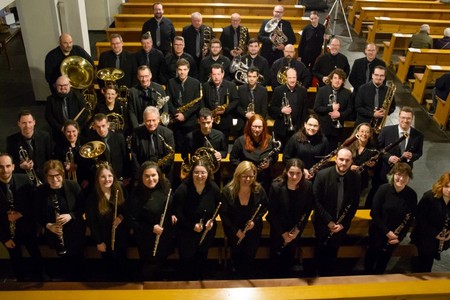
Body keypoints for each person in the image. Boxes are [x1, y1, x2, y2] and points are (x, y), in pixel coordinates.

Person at [312, 148, 361, 276]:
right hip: (322, 222)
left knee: (334, 251)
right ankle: (318, 276)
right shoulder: (322, 175)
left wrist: (344, 223)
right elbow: (316, 201)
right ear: (336, 159)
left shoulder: (356, 178)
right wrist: (328, 221)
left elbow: (354, 203)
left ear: (351, 162)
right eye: (341, 159)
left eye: (347, 160)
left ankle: (329, 278)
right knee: (320, 250)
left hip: (341, 224)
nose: (343, 163)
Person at [33, 160, 86, 280]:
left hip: (74, 230)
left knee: (78, 261)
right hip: (55, 231)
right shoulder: (41, 190)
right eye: (50, 176)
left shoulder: (73, 185)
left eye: (57, 176)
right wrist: (48, 226)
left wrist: (70, 215)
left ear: (62, 174)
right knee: (63, 261)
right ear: (46, 176)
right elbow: (37, 213)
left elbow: (83, 207)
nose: (55, 179)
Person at [366, 106, 424, 208]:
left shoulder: (418, 135)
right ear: (399, 117)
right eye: (403, 117)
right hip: (384, 170)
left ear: (412, 119)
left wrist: (411, 156)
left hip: (403, 173)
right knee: (376, 192)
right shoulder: (387, 131)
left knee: (397, 195)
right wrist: (388, 157)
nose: (405, 121)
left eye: (408, 118)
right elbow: (377, 148)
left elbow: (419, 153)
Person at [0, 153, 46, 281]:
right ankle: (19, 281)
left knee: (35, 254)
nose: (5, 170)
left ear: (13, 167)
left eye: (8, 166)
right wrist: (4, 238)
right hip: (7, 231)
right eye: (1, 166)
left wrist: (20, 214)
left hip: (27, 226)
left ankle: (41, 279)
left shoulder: (24, 179)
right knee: (15, 258)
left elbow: (35, 204)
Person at [364, 163, 417, 274]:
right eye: (398, 174)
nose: (401, 178)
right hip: (378, 232)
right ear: (393, 175)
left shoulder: (412, 195)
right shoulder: (383, 189)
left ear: (409, 178)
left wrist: (400, 236)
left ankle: (378, 281)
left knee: (384, 260)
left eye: (405, 176)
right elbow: (374, 213)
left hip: (395, 237)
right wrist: (387, 232)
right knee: (371, 257)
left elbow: (409, 218)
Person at [173, 159, 221, 280]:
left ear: (208, 173)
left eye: (203, 173)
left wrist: (212, 220)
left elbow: (218, 207)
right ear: (191, 173)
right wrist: (191, 226)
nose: (200, 176)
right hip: (186, 232)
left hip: (206, 231)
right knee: (187, 260)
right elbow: (178, 213)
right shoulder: (182, 190)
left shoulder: (213, 188)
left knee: (202, 257)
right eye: (196, 173)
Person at [220, 161, 268, 278]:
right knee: (236, 255)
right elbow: (223, 214)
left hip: (253, 230)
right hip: (233, 230)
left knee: (250, 255)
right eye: (244, 176)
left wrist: (255, 221)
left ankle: (247, 278)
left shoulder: (258, 190)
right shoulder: (228, 191)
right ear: (238, 175)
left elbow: (264, 206)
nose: (248, 179)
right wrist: (235, 230)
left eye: (251, 176)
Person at [267, 158, 314, 277]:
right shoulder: (276, 187)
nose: (294, 177)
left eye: (298, 173)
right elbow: (272, 213)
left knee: (289, 258)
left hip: (295, 230)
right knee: (275, 260)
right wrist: (283, 233)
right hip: (278, 229)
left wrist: (298, 230)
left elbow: (307, 210)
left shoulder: (307, 186)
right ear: (286, 172)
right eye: (291, 173)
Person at [129, 161, 175, 280]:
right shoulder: (136, 195)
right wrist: (151, 228)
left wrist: (173, 214)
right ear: (141, 177)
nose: (151, 179)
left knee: (161, 261)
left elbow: (172, 204)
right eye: (147, 176)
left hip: (164, 234)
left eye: (153, 175)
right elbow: (132, 220)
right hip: (147, 238)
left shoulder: (166, 187)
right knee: (150, 266)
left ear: (159, 175)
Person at [85, 163, 129, 281]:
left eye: (109, 176)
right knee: (108, 265)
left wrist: (120, 217)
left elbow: (128, 208)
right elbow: (92, 221)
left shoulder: (120, 187)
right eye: (103, 177)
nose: (107, 179)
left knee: (122, 261)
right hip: (103, 235)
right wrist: (99, 242)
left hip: (120, 233)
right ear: (98, 178)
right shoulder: (93, 195)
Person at [411, 172, 450, 272]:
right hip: (425, 235)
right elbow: (419, 217)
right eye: (447, 186)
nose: (449, 190)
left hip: (441, 237)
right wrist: (434, 234)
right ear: (441, 184)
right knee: (423, 263)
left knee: (429, 260)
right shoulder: (430, 197)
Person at [230, 115, 279, 192]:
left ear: (263, 127)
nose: (257, 129)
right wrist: (245, 169)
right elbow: (233, 159)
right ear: (249, 126)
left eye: (260, 127)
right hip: (246, 178)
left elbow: (275, 157)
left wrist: (269, 163)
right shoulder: (240, 141)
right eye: (254, 126)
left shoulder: (270, 140)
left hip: (264, 178)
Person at [7, 110, 52, 183]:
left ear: (34, 122)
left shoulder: (45, 137)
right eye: (24, 123)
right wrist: (20, 166)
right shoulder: (11, 140)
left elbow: (49, 158)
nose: (27, 126)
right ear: (19, 124)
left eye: (30, 122)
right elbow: (10, 161)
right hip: (23, 178)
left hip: (44, 177)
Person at [166, 58, 202, 151]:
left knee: (192, 147)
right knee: (178, 147)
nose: (182, 72)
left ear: (188, 70)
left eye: (185, 69)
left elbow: (197, 103)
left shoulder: (195, 83)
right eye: (180, 70)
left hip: (191, 121)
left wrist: (185, 115)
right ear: (177, 70)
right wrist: (176, 113)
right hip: (176, 120)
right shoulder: (171, 82)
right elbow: (168, 101)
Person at [313, 68, 353, 152]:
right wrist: (331, 108)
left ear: (343, 81)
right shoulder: (322, 90)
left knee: (332, 154)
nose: (337, 81)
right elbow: (316, 108)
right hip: (323, 128)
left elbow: (350, 110)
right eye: (335, 78)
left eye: (340, 78)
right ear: (331, 79)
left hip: (337, 130)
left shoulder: (347, 93)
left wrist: (340, 115)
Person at [269, 68, 309, 148]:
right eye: (290, 77)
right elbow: (271, 109)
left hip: (297, 130)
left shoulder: (302, 91)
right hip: (281, 130)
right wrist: (281, 110)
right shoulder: (278, 90)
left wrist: (302, 129)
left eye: (294, 77)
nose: (292, 80)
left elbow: (305, 111)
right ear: (286, 78)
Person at [131, 106, 175, 178]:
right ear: (144, 120)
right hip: (143, 172)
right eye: (148, 120)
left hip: (164, 173)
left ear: (158, 120)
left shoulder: (168, 133)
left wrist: (158, 172)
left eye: (154, 120)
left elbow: (170, 156)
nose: (151, 123)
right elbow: (134, 156)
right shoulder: (136, 133)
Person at [283, 114, 328, 180]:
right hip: (297, 176)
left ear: (319, 127)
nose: (312, 128)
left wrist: (315, 172)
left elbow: (325, 161)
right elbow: (286, 158)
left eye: (315, 126)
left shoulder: (323, 140)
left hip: (316, 177)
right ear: (305, 124)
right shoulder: (295, 138)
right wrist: (301, 170)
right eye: (310, 124)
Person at [202, 63, 239, 141]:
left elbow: (236, 100)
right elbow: (202, 102)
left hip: (225, 120)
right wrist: (207, 114)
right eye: (214, 74)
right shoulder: (205, 86)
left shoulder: (231, 85)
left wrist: (225, 109)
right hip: (209, 121)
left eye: (218, 74)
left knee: (224, 144)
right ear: (210, 75)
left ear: (223, 74)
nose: (216, 77)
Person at [45, 75, 88, 143]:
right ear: (55, 86)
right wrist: (61, 128)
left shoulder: (78, 96)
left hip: (77, 131)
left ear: (70, 85)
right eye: (60, 85)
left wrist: (74, 127)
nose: (62, 88)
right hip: (60, 132)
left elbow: (84, 113)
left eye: (65, 85)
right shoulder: (50, 99)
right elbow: (49, 116)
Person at [89, 113, 130, 182]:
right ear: (94, 127)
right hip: (103, 180)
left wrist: (127, 176)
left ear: (108, 125)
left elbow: (126, 158)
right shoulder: (92, 142)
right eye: (98, 127)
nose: (101, 129)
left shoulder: (119, 137)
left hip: (119, 178)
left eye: (103, 126)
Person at [128, 65, 168, 130]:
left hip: (157, 126)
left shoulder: (159, 89)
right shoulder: (133, 91)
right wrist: (137, 128)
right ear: (138, 77)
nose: (144, 79)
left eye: (146, 76)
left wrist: (162, 125)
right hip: (140, 126)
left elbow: (165, 108)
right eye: (141, 77)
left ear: (150, 75)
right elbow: (131, 112)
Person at [52, 120, 89, 187]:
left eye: (73, 131)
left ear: (78, 130)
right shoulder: (59, 146)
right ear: (64, 132)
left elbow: (89, 163)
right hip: (67, 181)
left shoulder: (85, 142)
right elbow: (56, 164)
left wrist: (87, 178)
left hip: (85, 179)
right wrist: (64, 166)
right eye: (68, 132)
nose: (71, 134)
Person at [236, 67, 268, 133]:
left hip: (258, 124)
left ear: (257, 77)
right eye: (249, 76)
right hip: (243, 122)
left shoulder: (263, 90)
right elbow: (237, 106)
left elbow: (264, 109)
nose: (252, 79)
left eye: (254, 76)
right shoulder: (241, 89)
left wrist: (256, 119)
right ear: (247, 77)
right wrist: (246, 114)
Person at [348, 123, 377, 193]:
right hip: (347, 177)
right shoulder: (349, 144)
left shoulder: (373, 149)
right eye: (362, 131)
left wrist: (371, 166)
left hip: (361, 182)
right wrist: (349, 167)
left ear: (370, 134)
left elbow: (372, 172)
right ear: (357, 132)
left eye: (367, 132)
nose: (364, 134)